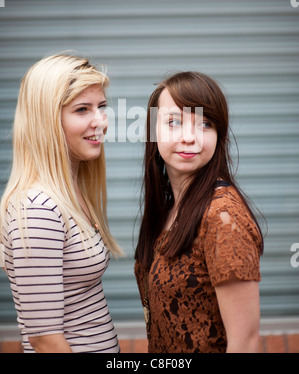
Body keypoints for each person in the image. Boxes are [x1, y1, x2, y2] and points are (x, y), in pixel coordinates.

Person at [0, 53, 123, 353]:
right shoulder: (39, 208)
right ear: (47, 121)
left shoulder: (69, 193)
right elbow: (45, 341)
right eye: (82, 109)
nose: (101, 121)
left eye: (101, 107)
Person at [134, 71, 264, 353]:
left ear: (219, 135)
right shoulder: (170, 207)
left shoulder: (223, 217)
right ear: (153, 131)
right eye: (174, 122)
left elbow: (246, 342)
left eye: (205, 123)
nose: (189, 137)